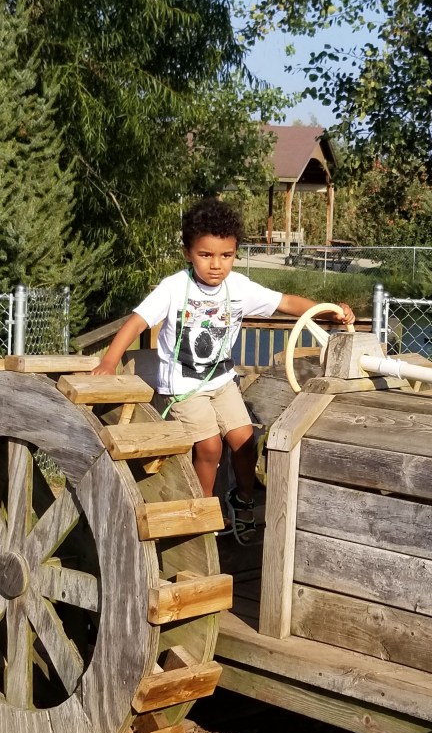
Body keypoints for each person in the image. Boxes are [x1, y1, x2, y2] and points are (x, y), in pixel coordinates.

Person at [93, 197, 354, 534]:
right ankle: (203, 511)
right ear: (188, 253)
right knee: (210, 445)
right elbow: (137, 322)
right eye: (206, 255)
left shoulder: (238, 288)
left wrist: (329, 310)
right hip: (184, 387)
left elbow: (287, 302)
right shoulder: (174, 288)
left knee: (245, 441)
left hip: (222, 382)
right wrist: (109, 361)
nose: (216, 265)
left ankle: (242, 500)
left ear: (235, 253)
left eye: (226, 255)